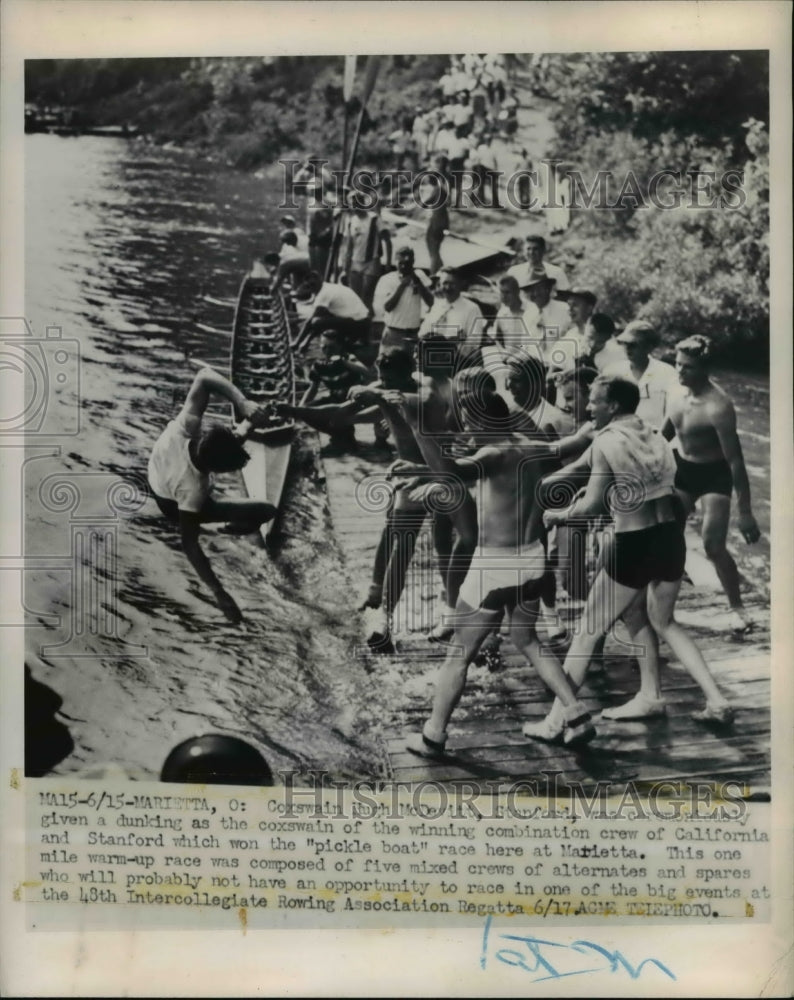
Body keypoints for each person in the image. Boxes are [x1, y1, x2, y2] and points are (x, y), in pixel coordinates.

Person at [525, 374, 735, 741]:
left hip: (634, 543)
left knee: (589, 630)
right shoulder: (651, 433)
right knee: (660, 620)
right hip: (670, 537)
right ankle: (694, 699)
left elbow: (590, 505)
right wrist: (539, 479)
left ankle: (559, 722)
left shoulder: (607, 441)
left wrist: (556, 515)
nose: (588, 406)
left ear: (614, 406)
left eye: (594, 400)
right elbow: (577, 469)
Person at [404, 377, 596, 756]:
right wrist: (592, 427)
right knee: (528, 640)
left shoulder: (492, 455)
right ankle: (576, 713)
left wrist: (416, 427)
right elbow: (574, 443)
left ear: (484, 423)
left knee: (458, 652)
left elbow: (452, 471)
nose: (468, 432)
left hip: (496, 565)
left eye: (471, 424)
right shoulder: (535, 448)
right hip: (532, 558)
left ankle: (433, 736)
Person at [280, 349, 426, 653]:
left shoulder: (417, 396)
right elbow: (337, 414)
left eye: (389, 380)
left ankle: (386, 617)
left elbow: (394, 402)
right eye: (381, 379)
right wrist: (293, 411)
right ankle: (375, 594)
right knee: (393, 530)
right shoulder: (384, 394)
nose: (383, 384)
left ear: (407, 375)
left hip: (433, 472)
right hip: (407, 472)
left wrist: (378, 397)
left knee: (410, 543)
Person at [147, 368, 277, 623]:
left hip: (161, 466)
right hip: (170, 502)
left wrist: (242, 403)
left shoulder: (186, 427)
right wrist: (220, 594)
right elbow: (190, 545)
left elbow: (204, 375)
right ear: (214, 471)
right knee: (267, 511)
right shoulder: (194, 490)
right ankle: (232, 527)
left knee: (237, 436)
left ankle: (234, 527)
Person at [663, 334, 761, 633]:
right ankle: (666, 608)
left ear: (704, 369)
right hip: (684, 468)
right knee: (667, 537)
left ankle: (737, 608)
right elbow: (663, 435)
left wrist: (745, 512)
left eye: (688, 367)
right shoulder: (675, 394)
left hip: (714, 474)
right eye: (678, 365)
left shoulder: (719, 405)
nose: (680, 372)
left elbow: (735, 460)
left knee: (712, 544)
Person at [299, 329, 371, 454]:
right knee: (307, 411)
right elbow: (313, 388)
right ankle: (340, 437)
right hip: (335, 399)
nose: (327, 351)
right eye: (324, 347)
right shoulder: (319, 365)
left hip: (353, 400)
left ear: (340, 346)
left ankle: (345, 437)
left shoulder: (348, 358)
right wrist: (299, 408)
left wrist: (343, 362)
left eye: (331, 347)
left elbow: (366, 372)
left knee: (337, 413)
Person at [606, 320, 683, 430]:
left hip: (653, 437)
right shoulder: (613, 372)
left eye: (633, 345)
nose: (628, 349)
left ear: (649, 347)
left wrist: (659, 440)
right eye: (625, 344)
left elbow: (673, 411)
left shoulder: (667, 373)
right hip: (620, 437)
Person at [520, 273, 583, 391]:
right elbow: (524, 345)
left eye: (539, 289)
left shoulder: (565, 310)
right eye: (531, 290)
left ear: (548, 289)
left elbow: (576, 338)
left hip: (559, 369)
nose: (535, 294)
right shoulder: (528, 314)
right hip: (534, 371)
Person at [372, 245, 434, 353]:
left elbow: (431, 302)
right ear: (395, 262)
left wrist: (418, 282)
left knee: (411, 367)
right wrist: (402, 286)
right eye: (401, 263)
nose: (404, 267)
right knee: (386, 366)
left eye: (407, 264)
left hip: (413, 333)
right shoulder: (387, 279)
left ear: (413, 262)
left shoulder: (420, 276)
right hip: (393, 332)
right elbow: (388, 307)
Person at [292, 271, 371, 355]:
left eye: (313, 284)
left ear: (320, 280)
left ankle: (344, 342)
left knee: (317, 322)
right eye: (309, 286)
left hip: (359, 323)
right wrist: (306, 342)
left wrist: (296, 342)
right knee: (320, 319)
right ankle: (344, 342)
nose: (312, 288)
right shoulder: (328, 286)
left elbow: (311, 322)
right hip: (363, 321)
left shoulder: (324, 293)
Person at [337, 192, 392, 309]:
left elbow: (387, 241)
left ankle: (368, 321)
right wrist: (344, 268)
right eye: (352, 204)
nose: (354, 206)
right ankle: (358, 322)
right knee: (355, 297)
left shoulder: (374, 219)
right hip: (355, 262)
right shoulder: (351, 221)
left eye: (357, 203)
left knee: (367, 296)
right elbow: (348, 247)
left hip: (372, 261)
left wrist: (388, 263)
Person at [418, 268, 484, 366]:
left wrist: (450, 346)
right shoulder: (438, 306)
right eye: (445, 283)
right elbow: (422, 333)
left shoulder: (472, 309)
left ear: (460, 284)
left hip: (460, 363)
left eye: (452, 283)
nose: (448, 287)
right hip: (434, 361)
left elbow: (474, 344)